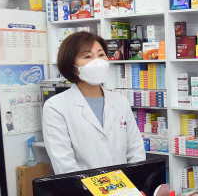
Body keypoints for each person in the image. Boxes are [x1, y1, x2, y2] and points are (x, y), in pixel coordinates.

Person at [43, 32, 145, 174]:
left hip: (124, 190)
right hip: (82, 191)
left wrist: (134, 183)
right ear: (71, 65)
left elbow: (136, 150)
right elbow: (64, 163)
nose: (98, 62)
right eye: (88, 56)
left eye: (101, 55)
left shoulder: (121, 102)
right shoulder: (56, 107)